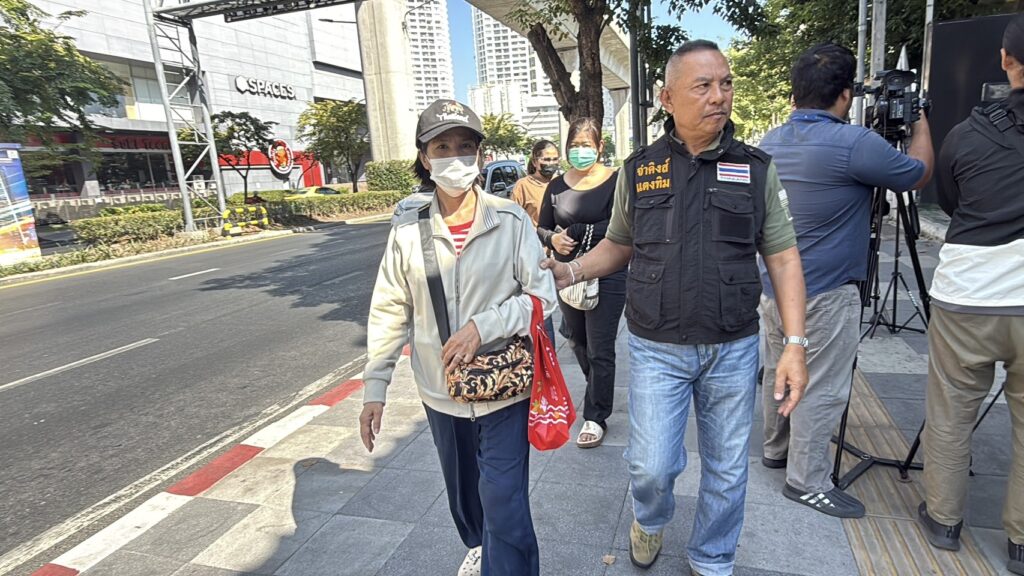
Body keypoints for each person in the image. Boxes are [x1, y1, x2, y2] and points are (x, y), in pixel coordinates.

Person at [543, 40, 808, 576]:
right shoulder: (640, 170)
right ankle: (650, 518)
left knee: (728, 470)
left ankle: (712, 557)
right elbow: (618, 245)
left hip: (732, 346)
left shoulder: (756, 168)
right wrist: (569, 271)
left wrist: (795, 345)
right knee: (651, 466)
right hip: (656, 345)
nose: (719, 96)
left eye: (725, 84)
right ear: (667, 98)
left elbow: (782, 258)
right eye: (703, 86)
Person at [360, 99, 557, 576]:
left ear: (481, 155)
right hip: (440, 392)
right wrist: (375, 387)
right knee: (467, 501)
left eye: (465, 146)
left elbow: (542, 297)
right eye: (442, 147)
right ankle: (481, 544)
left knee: (505, 501)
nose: (455, 157)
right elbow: (390, 309)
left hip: (504, 389)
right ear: (425, 158)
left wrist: (482, 327)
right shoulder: (407, 233)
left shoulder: (510, 221)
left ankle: (505, 564)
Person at [756, 42, 933, 519]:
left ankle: (776, 449)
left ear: (794, 94)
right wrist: (919, 120)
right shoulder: (856, 144)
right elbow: (917, 174)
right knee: (820, 385)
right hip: (826, 291)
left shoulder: (769, 141)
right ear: (846, 95)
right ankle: (807, 480)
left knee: (778, 369)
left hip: (773, 288)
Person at [918, 14, 1024, 576]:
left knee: (952, 410)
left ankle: (943, 519)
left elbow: (949, 199)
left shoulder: (966, 133)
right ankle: (1021, 541)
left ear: (1005, 61)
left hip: (969, 294)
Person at [537, 118, 626, 449]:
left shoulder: (616, 180)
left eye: (586, 145)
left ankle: (595, 415)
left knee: (601, 346)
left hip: (609, 270)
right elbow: (543, 226)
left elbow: (620, 226)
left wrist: (576, 231)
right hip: (567, 274)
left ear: (600, 147)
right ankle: (597, 387)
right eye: (574, 146)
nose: (580, 151)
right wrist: (552, 240)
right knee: (576, 340)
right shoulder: (556, 187)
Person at [512, 139, 561, 343]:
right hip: (535, 257)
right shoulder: (523, 186)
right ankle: (547, 352)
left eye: (555, 159)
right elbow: (513, 221)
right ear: (535, 161)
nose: (551, 163)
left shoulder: (561, 183)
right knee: (543, 310)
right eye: (546, 159)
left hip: (562, 256)